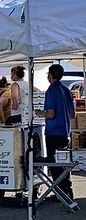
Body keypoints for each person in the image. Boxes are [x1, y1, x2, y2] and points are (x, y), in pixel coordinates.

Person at [35, 64, 75, 199]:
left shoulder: (51, 91)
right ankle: (67, 190)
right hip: (65, 131)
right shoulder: (67, 90)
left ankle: (60, 193)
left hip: (54, 132)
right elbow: (72, 114)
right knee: (64, 163)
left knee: (55, 165)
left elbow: (51, 114)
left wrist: (40, 113)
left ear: (50, 75)